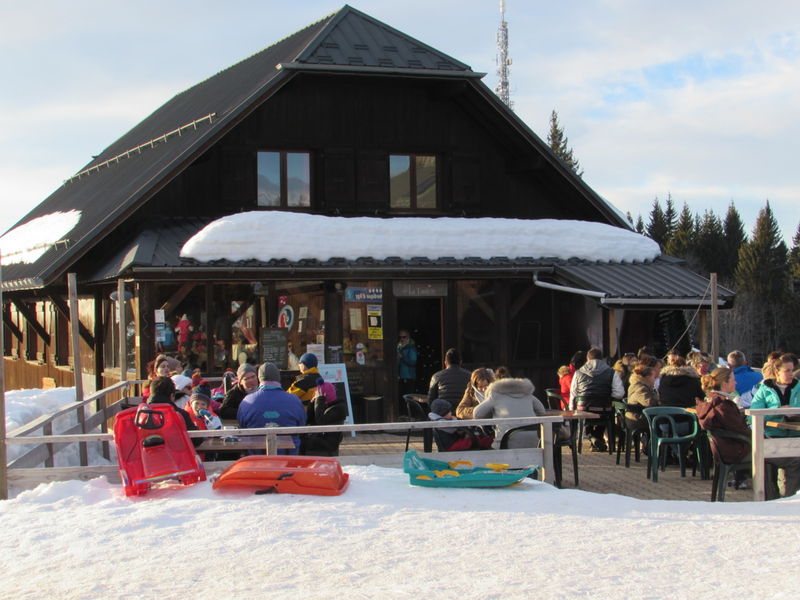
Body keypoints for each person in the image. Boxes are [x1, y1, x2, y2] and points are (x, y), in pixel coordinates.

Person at [749, 355, 800, 499]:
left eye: (792, 370)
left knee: (796, 460)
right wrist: (778, 411)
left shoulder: (799, 387)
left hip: (795, 437)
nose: (791, 374)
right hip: (771, 437)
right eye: (787, 371)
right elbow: (752, 415)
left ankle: (791, 499)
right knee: (768, 460)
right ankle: (772, 501)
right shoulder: (765, 390)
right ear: (777, 372)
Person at [696, 367, 751, 489]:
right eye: (733, 380)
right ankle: (772, 496)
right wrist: (760, 435)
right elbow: (741, 429)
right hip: (735, 451)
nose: (736, 382)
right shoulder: (723, 406)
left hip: (723, 450)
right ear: (725, 383)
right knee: (779, 457)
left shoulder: (709, 403)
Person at [237, 362, 307, 455]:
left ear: (259, 378)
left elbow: (243, 426)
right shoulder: (295, 401)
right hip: (288, 461)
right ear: (278, 378)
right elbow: (301, 425)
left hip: (257, 462)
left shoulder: (247, 402)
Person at [569, 347, 624, 451]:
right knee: (607, 414)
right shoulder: (612, 372)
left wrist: (572, 409)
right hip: (604, 409)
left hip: (583, 409)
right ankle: (596, 437)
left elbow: (573, 393)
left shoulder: (578, 373)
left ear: (588, 359)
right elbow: (619, 393)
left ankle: (593, 438)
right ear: (602, 358)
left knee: (587, 413)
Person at [474, 377, 547, 449]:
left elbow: (477, 414)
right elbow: (541, 411)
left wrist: (492, 413)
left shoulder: (496, 395)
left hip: (505, 442)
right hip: (533, 441)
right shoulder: (527, 395)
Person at [146, 376, 200, 447]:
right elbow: (196, 440)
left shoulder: (140, 415)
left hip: (147, 456)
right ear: (172, 396)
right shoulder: (181, 415)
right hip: (176, 456)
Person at [300, 379, 348, 456]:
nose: (315, 395)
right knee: (299, 439)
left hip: (327, 444)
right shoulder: (324, 405)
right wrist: (312, 403)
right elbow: (308, 419)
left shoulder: (339, 408)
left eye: (317, 394)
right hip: (318, 439)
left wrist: (319, 400)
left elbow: (321, 421)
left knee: (301, 442)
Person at [427, 348, 471, 412]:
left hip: (443, 413)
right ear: (460, 362)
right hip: (463, 412)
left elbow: (430, 400)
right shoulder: (470, 376)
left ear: (445, 363)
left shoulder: (436, 376)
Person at [625, 356, 660, 431]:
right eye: (654, 377)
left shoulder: (638, 385)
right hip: (637, 420)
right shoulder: (640, 388)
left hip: (636, 417)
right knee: (664, 422)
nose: (654, 380)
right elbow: (650, 403)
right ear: (648, 377)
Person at [397, 329, 418, 401]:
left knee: (408, 398)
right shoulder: (398, 347)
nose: (401, 339)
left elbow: (413, 362)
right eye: (400, 337)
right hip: (399, 376)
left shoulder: (411, 348)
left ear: (408, 337)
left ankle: (408, 412)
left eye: (404, 337)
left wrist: (402, 357)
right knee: (401, 397)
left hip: (409, 376)